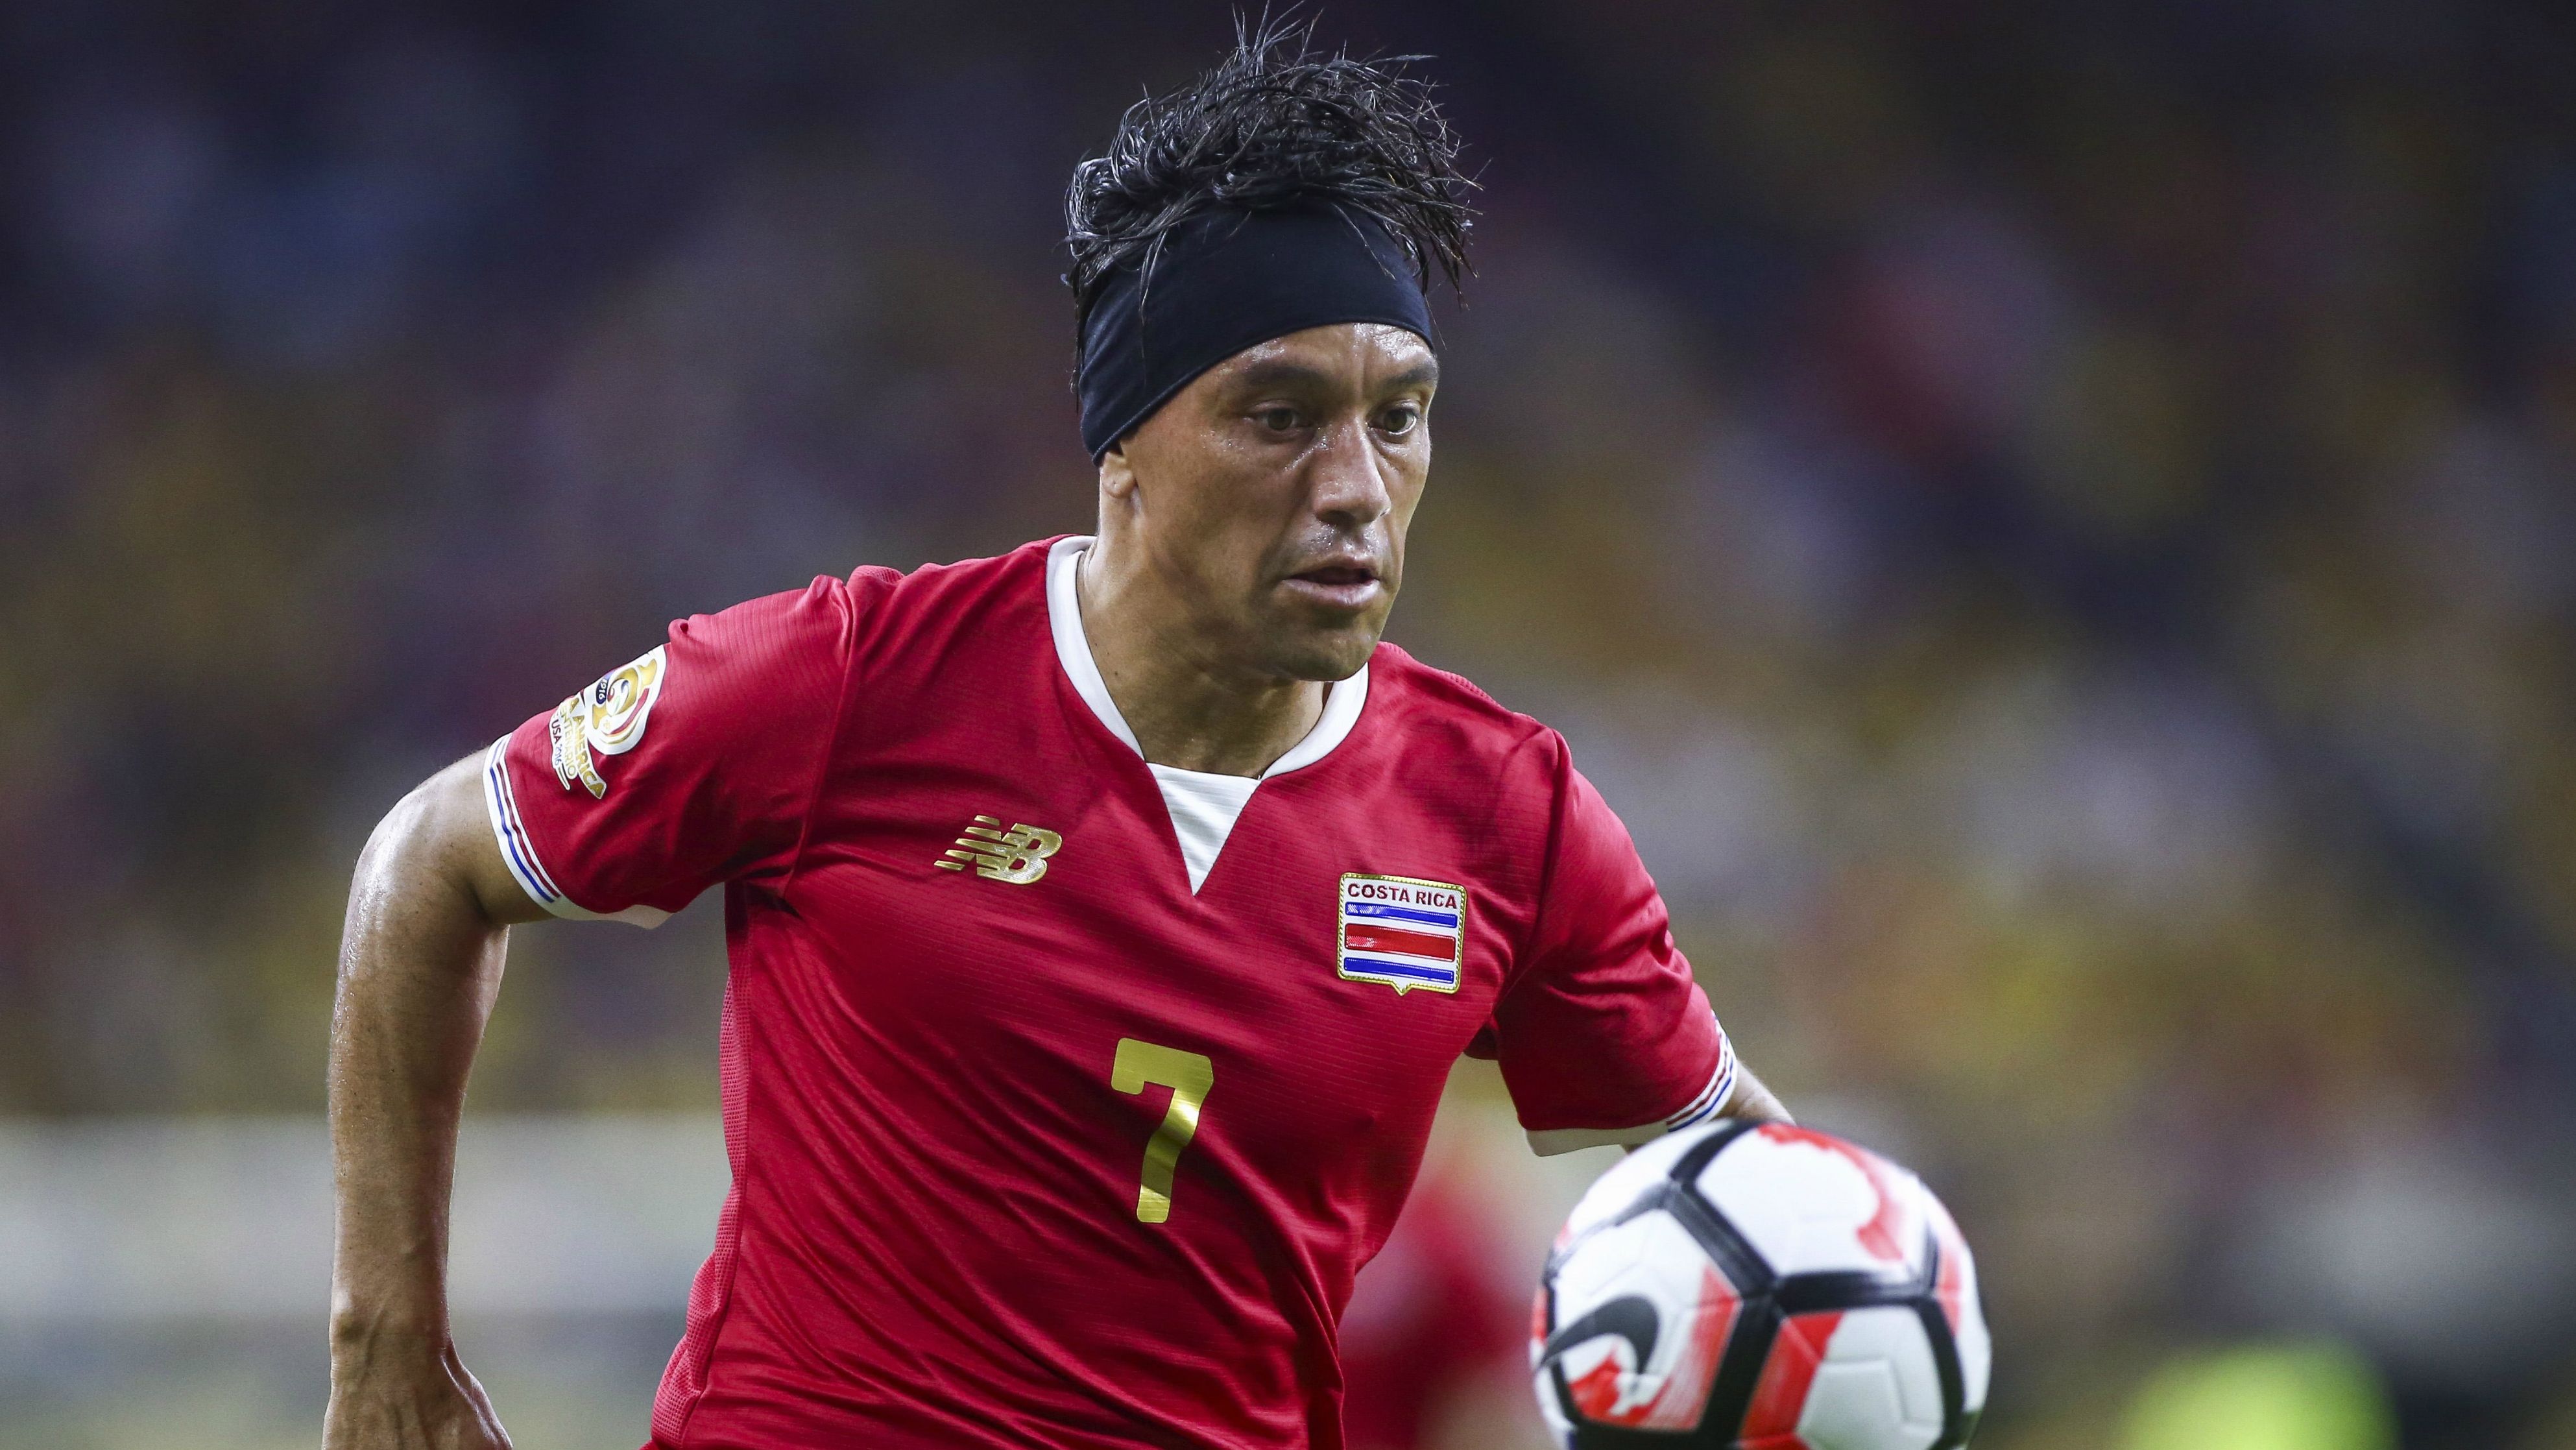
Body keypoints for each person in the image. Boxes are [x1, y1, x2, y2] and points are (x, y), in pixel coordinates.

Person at [323, 22, 1788, 1450]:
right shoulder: (843, 686)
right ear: (1124, 445)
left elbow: (1764, 1192)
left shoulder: (1501, 815)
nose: (1355, 485)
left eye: (1398, 417)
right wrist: (388, 1338)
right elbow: (427, 861)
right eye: (1280, 416)